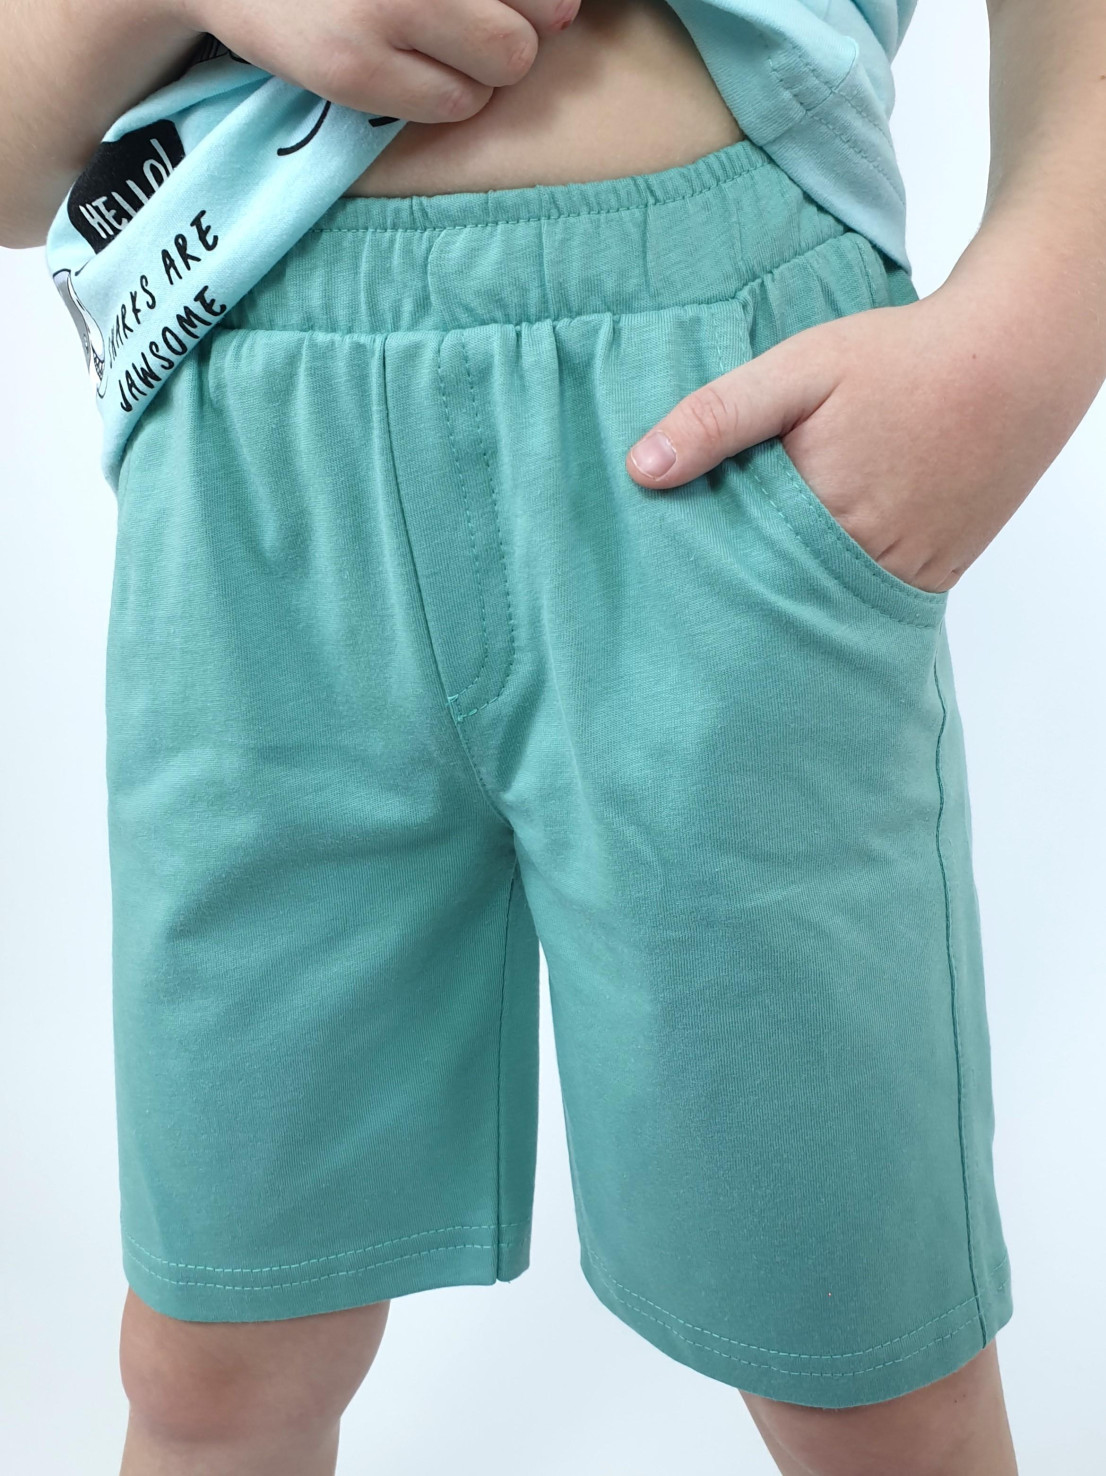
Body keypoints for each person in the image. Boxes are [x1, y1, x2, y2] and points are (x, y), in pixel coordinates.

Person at [2, 1, 1100, 1472]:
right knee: (211, 1361)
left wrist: (1030, 331)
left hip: (718, 414)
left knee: (867, 1371)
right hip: (250, 464)